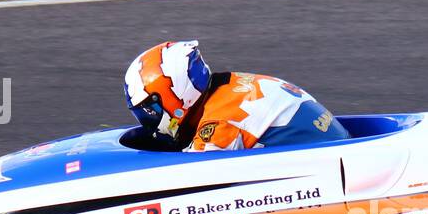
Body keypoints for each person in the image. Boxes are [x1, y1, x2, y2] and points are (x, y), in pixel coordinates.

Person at [123, 40, 349, 151]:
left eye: (150, 111)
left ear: (176, 96)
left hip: (326, 173)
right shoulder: (229, 85)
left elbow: (191, 182)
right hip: (332, 146)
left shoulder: (218, 125)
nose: (149, 120)